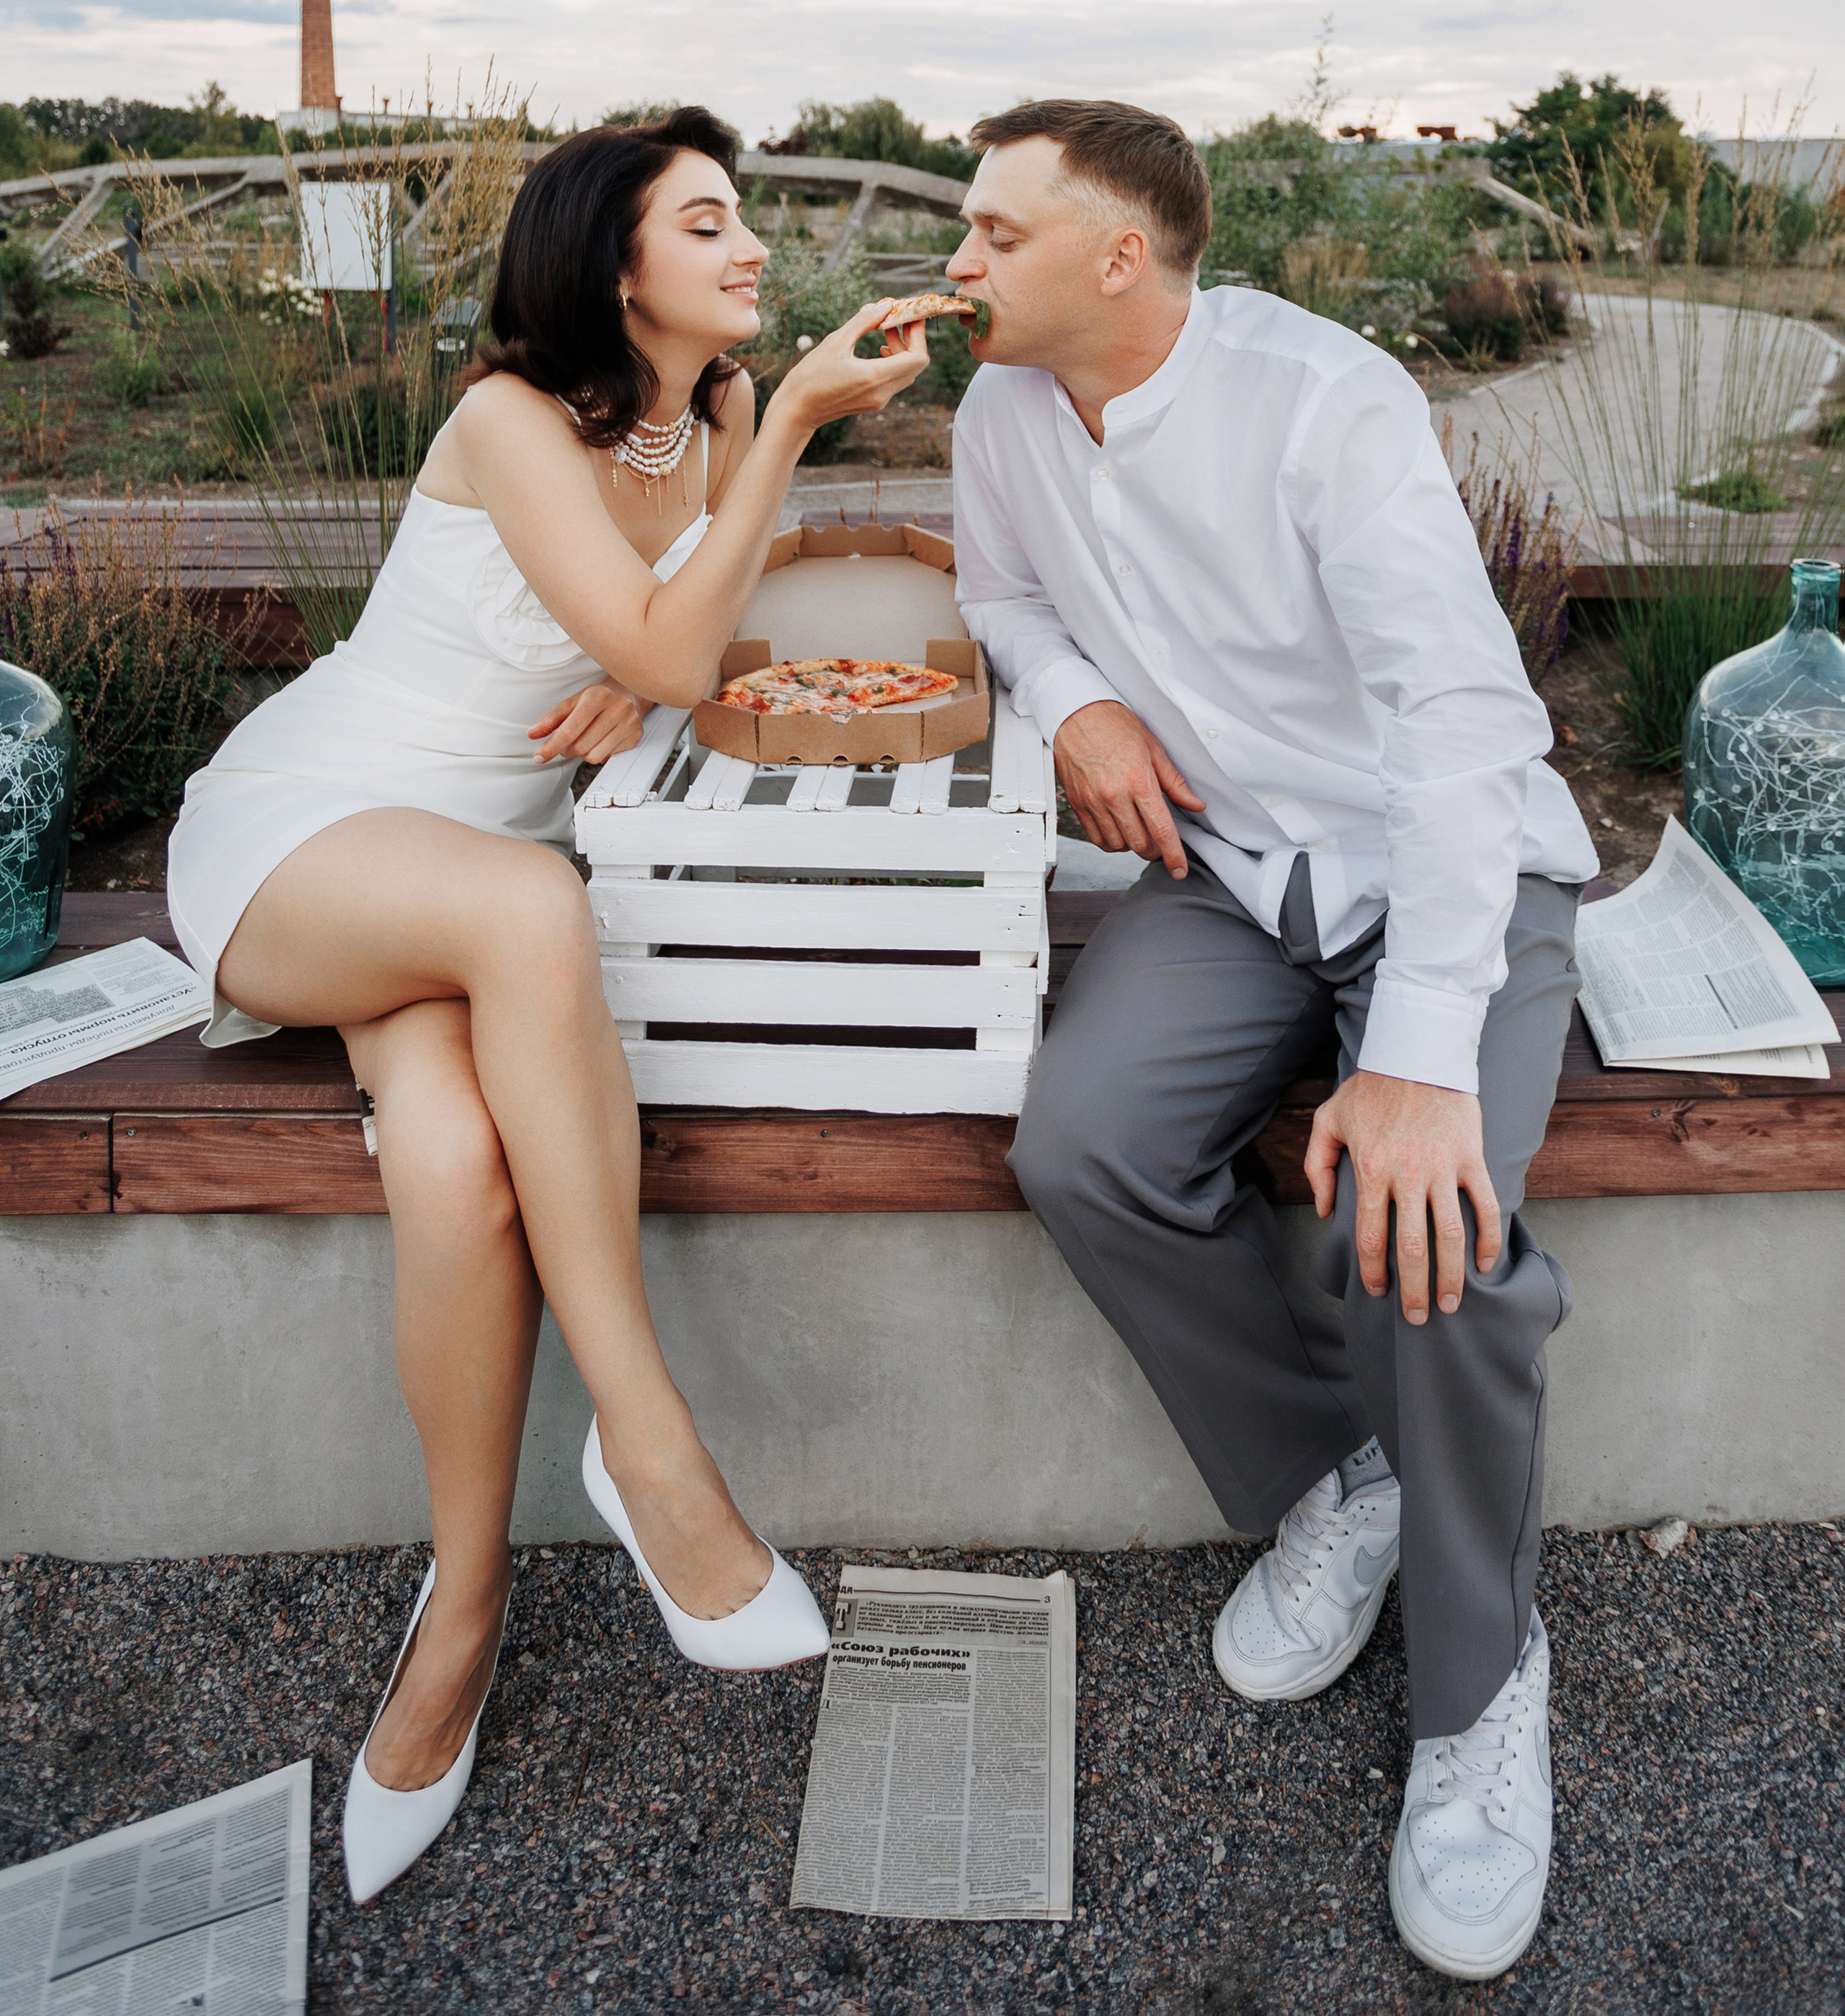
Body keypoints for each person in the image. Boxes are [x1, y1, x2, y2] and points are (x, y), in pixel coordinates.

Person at [166, 110, 929, 1903]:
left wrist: (646, 675)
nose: (752, 252)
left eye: (748, 222)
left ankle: (464, 1609)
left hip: (468, 884)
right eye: (711, 223)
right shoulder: (510, 419)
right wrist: (661, 641)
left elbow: (688, 640)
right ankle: (649, 1448)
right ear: (612, 265)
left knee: (450, 1169)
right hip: (314, 833)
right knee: (527, 902)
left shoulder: (725, 410)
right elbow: (668, 639)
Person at [945, 98, 1597, 1982]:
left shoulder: (1329, 404)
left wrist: (1410, 1062)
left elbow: (1468, 736)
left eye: (996, 232)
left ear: (1119, 258)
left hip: (1449, 878)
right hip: (1233, 874)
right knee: (1077, 1146)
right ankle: (1350, 1476)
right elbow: (999, 592)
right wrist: (1074, 704)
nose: (959, 262)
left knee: (1439, 1237)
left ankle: (1482, 1688)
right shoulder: (1000, 412)